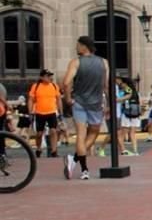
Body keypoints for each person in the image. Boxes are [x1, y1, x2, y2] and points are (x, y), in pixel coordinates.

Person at [62, 36, 109, 180]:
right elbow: (106, 85)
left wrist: (68, 98)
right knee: (93, 134)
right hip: (96, 103)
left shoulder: (76, 62)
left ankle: (82, 167)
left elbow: (66, 82)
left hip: (80, 103)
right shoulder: (104, 62)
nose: (76, 48)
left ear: (84, 47)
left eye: (78, 45)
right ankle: (78, 165)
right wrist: (108, 104)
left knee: (81, 136)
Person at [28, 69, 62, 158]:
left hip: (52, 112)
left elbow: (58, 99)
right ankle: (39, 148)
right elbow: (31, 99)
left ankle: (54, 151)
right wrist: (30, 112)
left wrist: (60, 112)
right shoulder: (36, 86)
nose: (50, 78)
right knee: (39, 133)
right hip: (40, 113)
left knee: (53, 131)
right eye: (47, 76)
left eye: (50, 76)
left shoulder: (54, 86)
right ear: (42, 77)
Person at [116, 76, 140, 155]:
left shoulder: (127, 89)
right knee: (132, 132)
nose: (120, 84)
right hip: (134, 113)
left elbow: (128, 96)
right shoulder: (134, 90)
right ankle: (135, 150)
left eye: (121, 83)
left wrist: (118, 100)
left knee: (123, 132)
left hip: (127, 113)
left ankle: (122, 150)